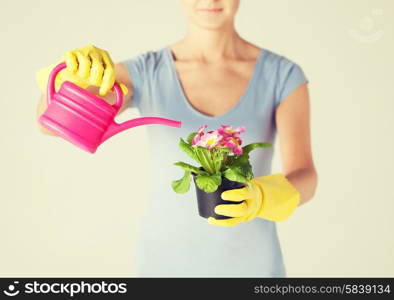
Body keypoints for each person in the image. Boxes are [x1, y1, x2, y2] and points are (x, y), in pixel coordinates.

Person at [36, 0, 317, 277]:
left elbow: (305, 176)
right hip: (164, 267)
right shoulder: (146, 72)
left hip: (253, 268)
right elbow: (51, 124)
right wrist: (72, 77)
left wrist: (262, 197)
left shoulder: (283, 75)